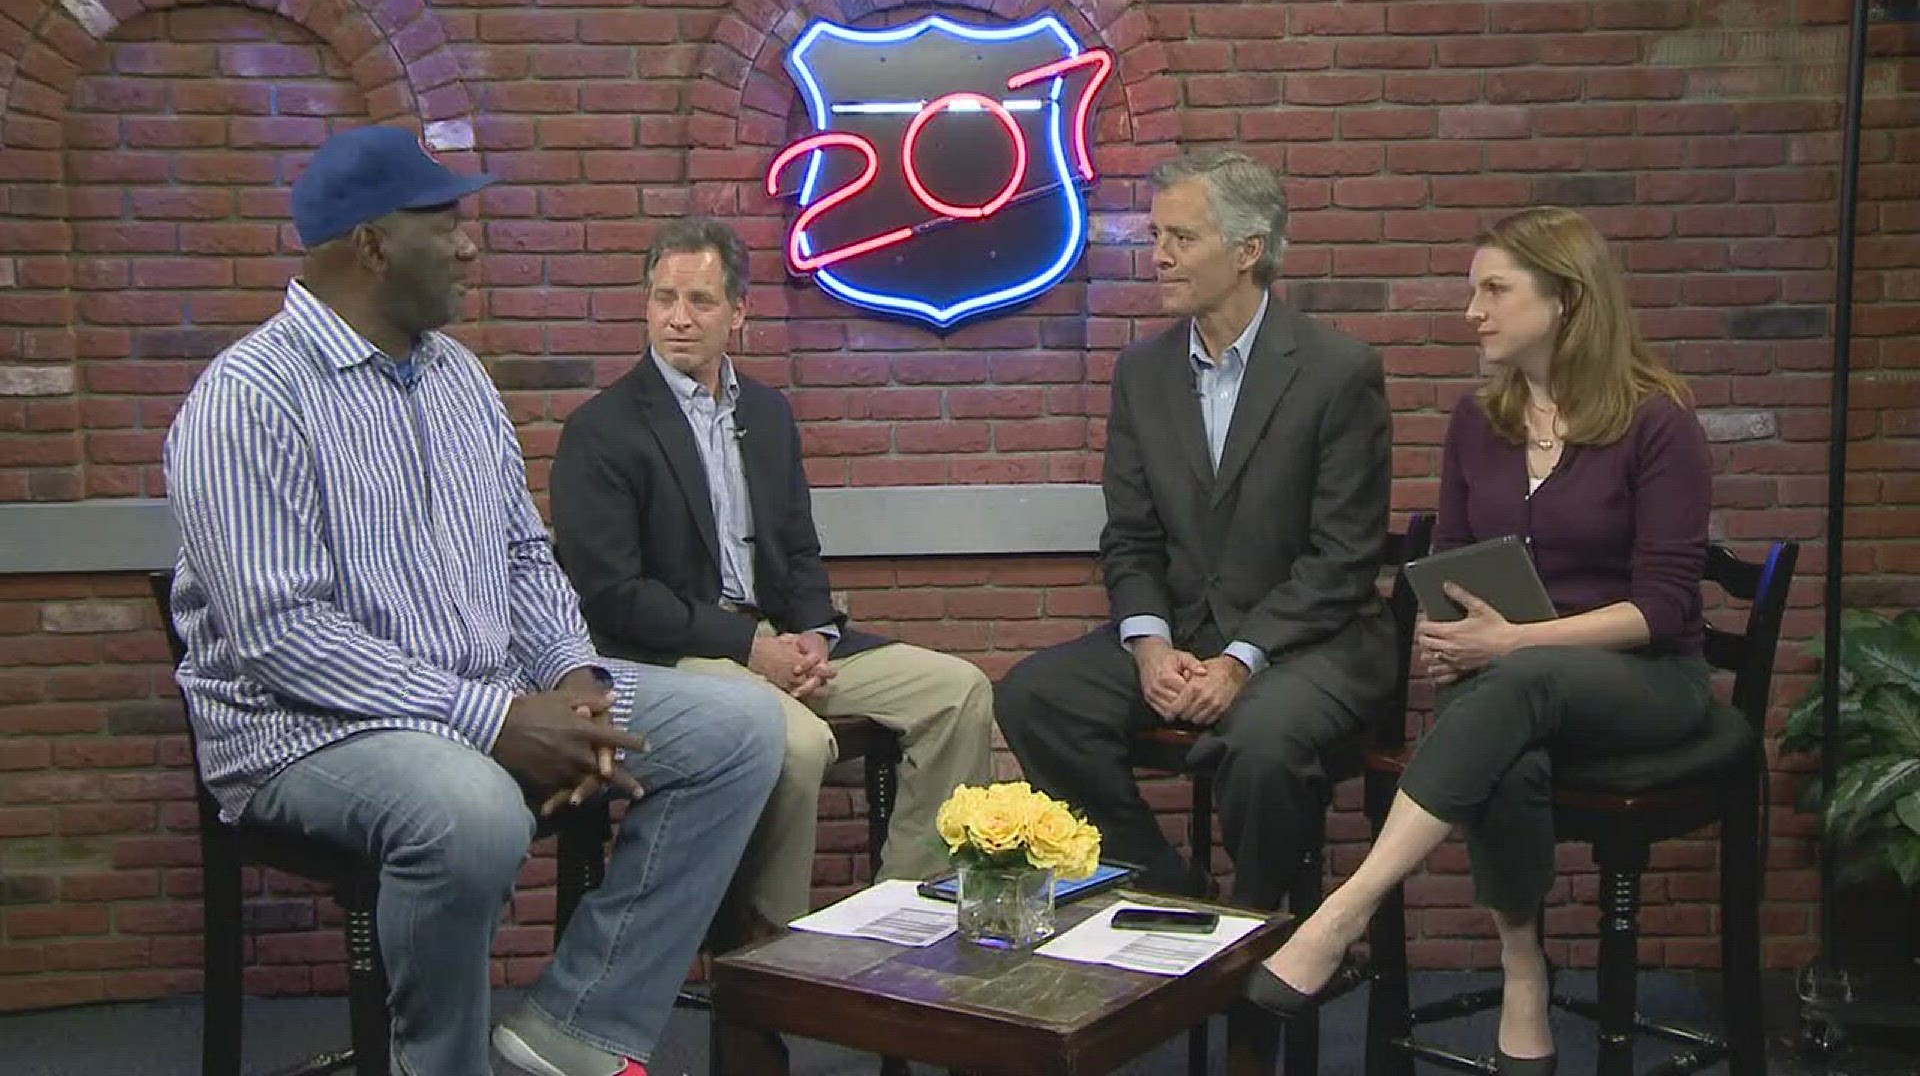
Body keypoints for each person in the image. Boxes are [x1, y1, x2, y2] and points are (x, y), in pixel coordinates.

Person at [163, 126, 785, 1076]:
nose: (468, 245)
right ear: (372, 243)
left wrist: (575, 684)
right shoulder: (246, 400)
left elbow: (524, 558)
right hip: (305, 732)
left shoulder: (458, 378)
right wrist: (493, 718)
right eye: (444, 224)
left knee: (740, 726)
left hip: (485, 694)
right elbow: (282, 638)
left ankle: (575, 1029)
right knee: (476, 810)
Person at [1244, 206, 1715, 1076]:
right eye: (1474, 290)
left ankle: (1345, 912)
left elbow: (1663, 607)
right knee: (1511, 738)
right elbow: (1453, 567)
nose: (1473, 311)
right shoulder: (1479, 421)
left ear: (1567, 299)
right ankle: (1522, 965)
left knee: (1520, 681)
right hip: (1510, 690)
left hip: (1644, 682)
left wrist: (1511, 645)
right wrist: (1450, 633)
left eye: (1495, 289)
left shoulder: (1659, 424)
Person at [548, 217, 995, 931]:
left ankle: (905, 920)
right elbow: (612, 599)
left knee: (958, 691)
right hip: (675, 655)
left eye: (699, 301)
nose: (679, 318)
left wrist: (814, 633)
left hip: (781, 643)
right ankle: (767, 951)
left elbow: (797, 550)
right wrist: (748, 647)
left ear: (739, 313)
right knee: (798, 742)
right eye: (664, 299)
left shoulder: (766, 413)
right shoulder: (602, 430)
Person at [992, 149, 1395, 909]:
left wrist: (1240, 661)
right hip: (1183, 631)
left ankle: (1256, 929)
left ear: (1248, 251)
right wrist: (1148, 645)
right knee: (1036, 699)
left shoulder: (1339, 372)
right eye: (1155, 236)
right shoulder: (1142, 374)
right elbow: (1132, 536)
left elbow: (1343, 558)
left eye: (1182, 238)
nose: (1159, 257)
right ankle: (1168, 894)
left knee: (1261, 743)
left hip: (1310, 642)